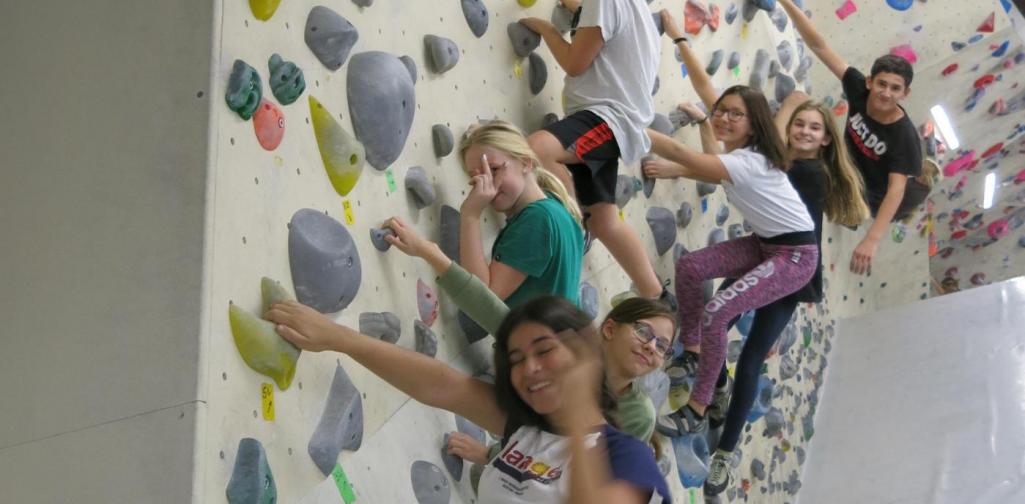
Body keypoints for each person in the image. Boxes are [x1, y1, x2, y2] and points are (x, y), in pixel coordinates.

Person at [264, 295, 671, 503]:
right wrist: (339, 339)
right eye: (516, 358)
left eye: (544, 351)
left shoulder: (626, 456)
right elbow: (444, 385)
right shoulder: (531, 431)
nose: (529, 368)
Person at [381, 216, 676, 488]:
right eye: (643, 332)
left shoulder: (639, 415)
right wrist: (429, 252)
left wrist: (492, 454)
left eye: (661, 346)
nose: (651, 346)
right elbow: (492, 311)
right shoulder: (565, 346)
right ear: (610, 329)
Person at [693, 96, 870, 496]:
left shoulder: (804, 171)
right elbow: (735, 157)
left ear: (826, 140)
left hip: (791, 272)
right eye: (800, 125)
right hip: (763, 253)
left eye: (814, 128)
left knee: (752, 354)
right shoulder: (773, 158)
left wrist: (788, 105)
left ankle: (724, 451)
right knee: (717, 316)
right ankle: (717, 383)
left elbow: (740, 160)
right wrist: (708, 119)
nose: (804, 132)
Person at [518, 0, 674, 309]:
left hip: (606, 119)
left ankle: (573, 228)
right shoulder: (633, 8)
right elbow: (601, 34)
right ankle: (658, 299)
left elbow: (575, 63)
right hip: (613, 119)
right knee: (604, 220)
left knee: (538, 149)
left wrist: (547, 29)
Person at [779, 0, 923, 275]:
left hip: (865, 193)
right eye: (882, 84)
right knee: (799, 100)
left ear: (905, 94)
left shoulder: (904, 136)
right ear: (869, 82)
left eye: (896, 89)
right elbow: (820, 46)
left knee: (827, 199)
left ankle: (804, 264)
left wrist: (871, 240)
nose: (886, 93)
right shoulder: (858, 88)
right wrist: (786, 3)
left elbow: (896, 191)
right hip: (842, 159)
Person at [454, 121, 584, 307]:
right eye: (477, 179)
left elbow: (481, 297)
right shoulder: (557, 208)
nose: (487, 185)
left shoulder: (537, 220)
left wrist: (470, 215)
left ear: (525, 162)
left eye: (494, 169)